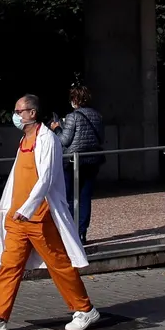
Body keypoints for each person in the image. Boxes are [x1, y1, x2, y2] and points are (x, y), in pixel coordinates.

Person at [0, 94, 99, 330]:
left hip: (39, 216)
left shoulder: (48, 139)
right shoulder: (24, 140)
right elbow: (17, 176)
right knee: (9, 267)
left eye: (20, 111)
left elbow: (46, 178)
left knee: (59, 264)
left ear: (32, 113)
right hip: (18, 219)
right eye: (16, 111)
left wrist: (27, 209)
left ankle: (85, 310)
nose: (16, 116)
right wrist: (6, 205)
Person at [54, 85, 106, 239]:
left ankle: (70, 233)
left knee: (69, 196)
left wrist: (57, 128)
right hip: (92, 160)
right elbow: (101, 139)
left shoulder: (72, 116)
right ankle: (82, 232)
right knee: (85, 196)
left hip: (72, 161)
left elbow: (65, 140)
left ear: (75, 100)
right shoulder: (98, 116)